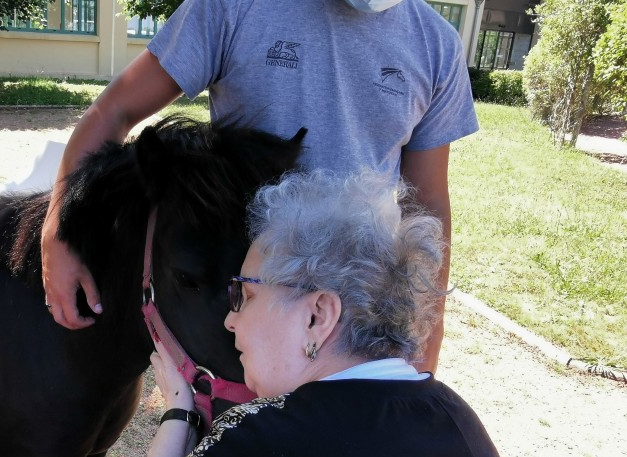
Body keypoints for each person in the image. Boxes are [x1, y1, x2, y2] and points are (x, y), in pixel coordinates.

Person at [91, 170, 540, 457]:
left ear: (317, 316)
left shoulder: (261, 438)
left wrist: (178, 415)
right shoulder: (455, 415)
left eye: (243, 294)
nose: (230, 321)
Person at [40, 0, 478, 374]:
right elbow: (112, 112)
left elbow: (428, 205)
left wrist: (429, 333)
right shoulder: (233, 6)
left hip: (362, 308)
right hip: (249, 296)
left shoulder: (435, 43)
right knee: (238, 440)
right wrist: (59, 232)